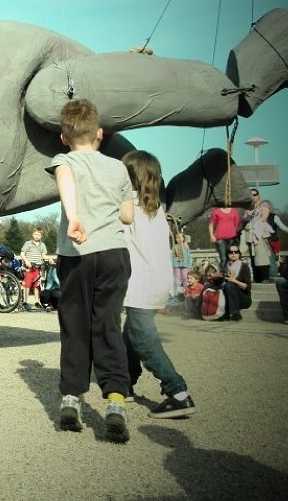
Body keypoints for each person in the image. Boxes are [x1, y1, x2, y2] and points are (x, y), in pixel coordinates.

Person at [46, 98, 134, 443]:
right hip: (114, 252)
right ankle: (114, 401)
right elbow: (127, 216)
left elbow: (65, 176)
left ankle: (71, 396)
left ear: (63, 138)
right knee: (108, 324)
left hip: (78, 253)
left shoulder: (64, 160)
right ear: (99, 133)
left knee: (75, 325)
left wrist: (74, 214)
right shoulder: (118, 167)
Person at [120, 150, 197, 419]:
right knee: (130, 335)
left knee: (145, 341)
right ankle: (125, 383)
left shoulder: (128, 205)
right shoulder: (155, 209)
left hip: (140, 284)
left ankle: (177, 392)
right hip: (155, 282)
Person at [262, 201, 288, 279]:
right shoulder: (257, 217)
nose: (264, 208)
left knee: (271, 260)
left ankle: (273, 277)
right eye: (262, 206)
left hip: (271, 241)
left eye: (266, 206)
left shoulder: (274, 217)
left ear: (270, 208)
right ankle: (264, 278)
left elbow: (282, 226)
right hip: (259, 241)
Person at [243, 189, 273, 282]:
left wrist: (253, 216)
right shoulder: (249, 209)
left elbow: (264, 218)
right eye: (251, 195)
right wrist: (247, 215)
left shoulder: (264, 206)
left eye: (254, 195)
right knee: (253, 257)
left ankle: (265, 278)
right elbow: (243, 221)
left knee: (262, 256)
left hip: (260, 234)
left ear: (258, 195)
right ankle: (257, 278)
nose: (253, 197)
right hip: (250, 236)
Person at [20, 228, 50, 310]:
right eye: (35, 234)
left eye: (39, 235)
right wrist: (26, 261)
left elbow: (43, 255)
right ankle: (25, 302)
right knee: (27, 285)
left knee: (37, 285)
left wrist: (49, 259)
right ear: (33, 235)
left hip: (37, 267)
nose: (37, 236)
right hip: (29, 267)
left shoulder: (42, 245)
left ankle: (37, 301)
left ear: (41, 236)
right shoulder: (28, 243)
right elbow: (22, 254)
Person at [221, 244, 252, 321]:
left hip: (243, 298)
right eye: (231, 252)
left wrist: (234, 281)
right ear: (228, 254)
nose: (234, 254)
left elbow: (247, 287)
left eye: (236, 252)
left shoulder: (244, 266)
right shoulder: (224, 267)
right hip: (228, 296)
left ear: (239, 254)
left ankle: (235, 313)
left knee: (229, 285)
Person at [171, 232, 192, 299]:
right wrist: (172, 265)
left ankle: (186, 290)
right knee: (177, 278)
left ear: (183, 238)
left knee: (185, 278)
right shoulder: (174, 246)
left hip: (185, 265)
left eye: (180, 237)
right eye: (177, 237)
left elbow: (189, 256)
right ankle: (176, 291)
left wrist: (189, 265)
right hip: (176, 265)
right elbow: (172, 257)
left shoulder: (186, 246)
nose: (178, 239)